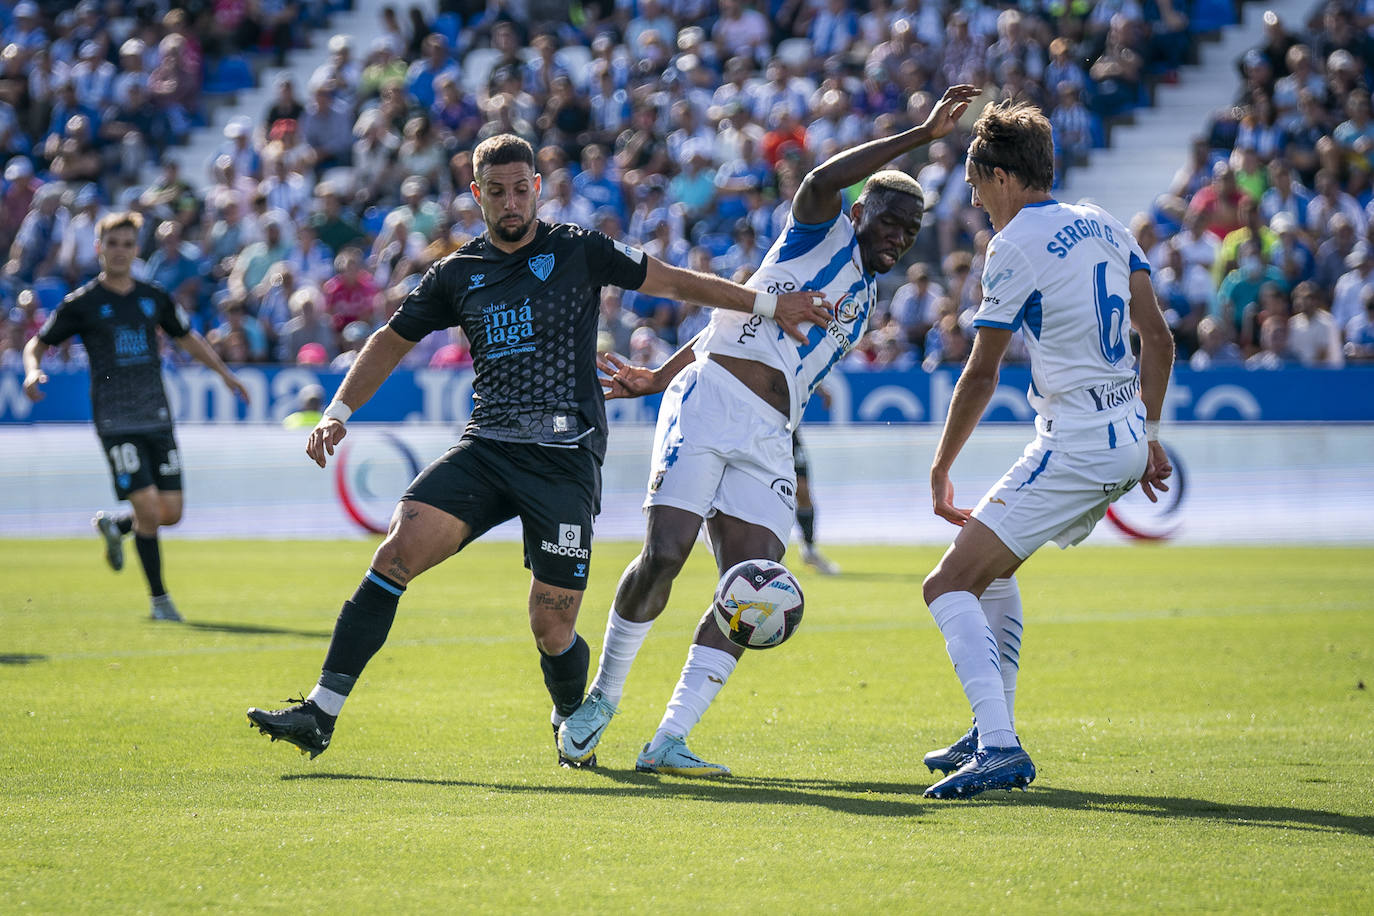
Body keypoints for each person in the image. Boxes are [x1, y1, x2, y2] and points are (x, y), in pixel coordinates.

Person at [244, 134, 831, 765]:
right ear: (477, 195)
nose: (510, 202)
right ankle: (320, 713)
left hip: (565, 457)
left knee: (551, 628)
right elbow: (391, 337)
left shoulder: (577, 250)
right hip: (488, 447)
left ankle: (571, 719)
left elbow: (672, 283)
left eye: (521, 188)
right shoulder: (457, 273)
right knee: (395, 553)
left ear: (537, 188)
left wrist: (770, 303)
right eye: (496, 192)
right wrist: (337, 411)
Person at [558, 85, 981, 776]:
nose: (899, 238)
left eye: (910, 231)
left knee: (753, 586)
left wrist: (657, 373)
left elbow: (737, 317)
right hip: (711, 400)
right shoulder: (821, 227)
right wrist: (923, 133)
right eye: (890, 221)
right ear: (863, 209)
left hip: (768, 433)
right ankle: (601, 700)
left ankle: (669, 739)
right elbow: (819, 178)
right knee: (666, 553)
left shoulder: (869, 294)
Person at [918, 101, 1174, 799]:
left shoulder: (1016, 243)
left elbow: (982, 369)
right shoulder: (1106, 222)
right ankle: (989, 723)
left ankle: (1000, 746)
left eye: (976, 188)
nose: (976, 204)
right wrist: (1149, 438)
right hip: (1122, 434)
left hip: (1078, 441)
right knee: (991, 568)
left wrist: (941, 468)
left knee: (944, 585)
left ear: (1002, 176)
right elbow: (1160, 341)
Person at [22, 211, 250, 622]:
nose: (121, 252)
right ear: (99, 249)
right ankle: (160, 601)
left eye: (128, 244)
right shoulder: (84, 303)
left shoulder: (153, 297)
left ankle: (117, 526)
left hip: (157, 416)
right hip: (116, 420)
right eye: (113, 244)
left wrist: (225, 375)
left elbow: (186, 337)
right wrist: (32, 370)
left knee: (171, 512)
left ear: (135, 249)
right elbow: (37, 343)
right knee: (149, 509)